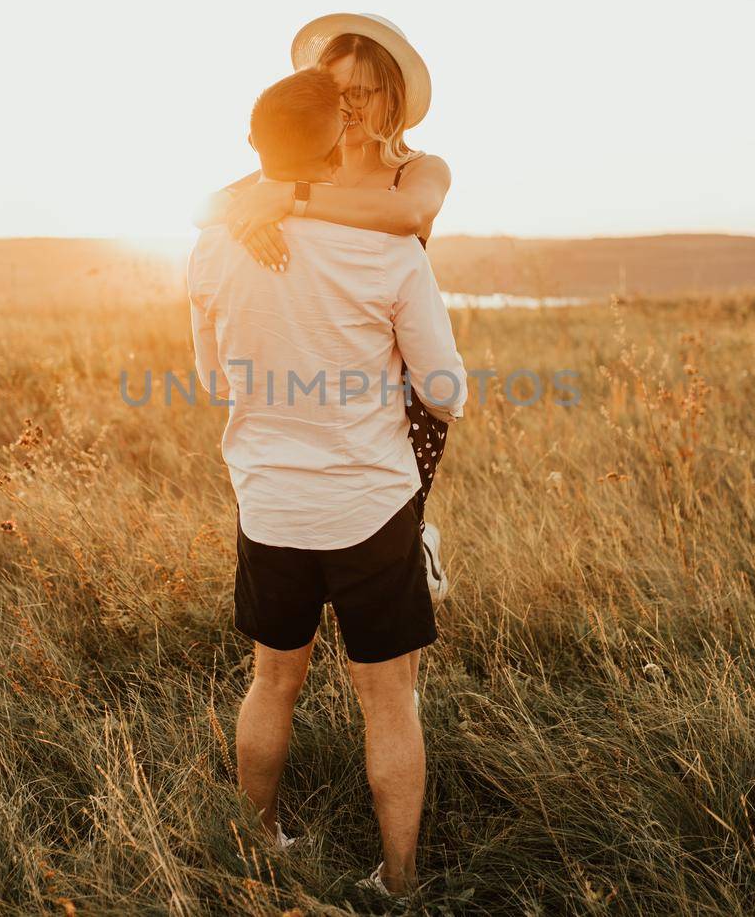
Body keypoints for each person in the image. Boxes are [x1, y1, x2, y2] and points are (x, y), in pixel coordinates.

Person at [187, 66, 467, 900]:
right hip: (369, 506)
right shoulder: (388, 251)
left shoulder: (210, 246)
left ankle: (262, 839)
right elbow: (445, 390)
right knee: (390, 704)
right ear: (334, 143)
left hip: (268, 504)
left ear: (254, 145)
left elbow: (214, 383)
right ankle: (401, 879)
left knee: (272, 679)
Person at [197, 14, 456, 706]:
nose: (350, 107)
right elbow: (205, 211)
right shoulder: (274, 174)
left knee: (395, 491)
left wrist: (291, 199)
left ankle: (412, 536)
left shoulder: (415, 170)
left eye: (367, 92)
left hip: (394, 363)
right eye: (337, 91)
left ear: (393, 100)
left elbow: (413, 217)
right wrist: (251, 219)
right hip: (305, 370)